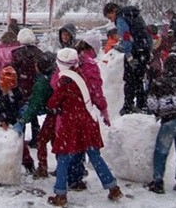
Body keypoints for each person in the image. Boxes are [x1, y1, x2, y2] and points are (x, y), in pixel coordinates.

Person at [47, 48, 123, 206]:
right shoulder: (83, 76)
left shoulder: (65, 82)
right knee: (95, 156)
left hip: (71, 125)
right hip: (88, 121)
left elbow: (52, 103)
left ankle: (60, 193)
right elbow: (94, 94)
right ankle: (113, 187)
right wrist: (103, 109)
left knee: (63, 158)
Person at [146, 54, 176, 195]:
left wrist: (159, 112)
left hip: (168, 121)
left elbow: (151, 103)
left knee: (161, 152)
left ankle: (158, 182)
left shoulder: (159, 82)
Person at [13, 51, 56, 179]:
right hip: (61, 113)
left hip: (54, 114)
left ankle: (43, 168)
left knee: (42, 140)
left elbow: (35, 105)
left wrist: (23, 120)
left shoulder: (42, 83)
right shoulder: (54, 77)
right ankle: (64, 167)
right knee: (57, 140)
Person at [103, 3, 152, 116]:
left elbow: (125, 35)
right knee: (139, 79)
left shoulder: (121, 18)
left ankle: (128, 105)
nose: (111, 21)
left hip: (134, 51)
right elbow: (146, 33)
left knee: (129, 79)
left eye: (110, 17)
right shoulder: (135, 15)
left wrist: (128, 52)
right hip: (144, 50)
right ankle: (142, 104)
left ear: (114, 11)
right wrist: (148, 50)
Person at [11, 28, 44, 148]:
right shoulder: (39, 52)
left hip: (21, 86)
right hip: (35, 86)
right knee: (32, 111)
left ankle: (21, 137)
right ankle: (36, 137)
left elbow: (13, 69)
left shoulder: (16, 53)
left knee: (22, 112)